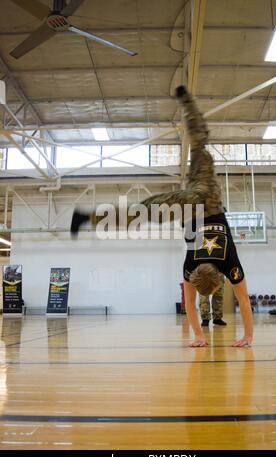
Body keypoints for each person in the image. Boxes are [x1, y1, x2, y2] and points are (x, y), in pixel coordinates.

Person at [71, 86, 253, 348]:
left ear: (219, 278)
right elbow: (191, 303)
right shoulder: (190, 268)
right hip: (189, 207)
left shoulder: (227, 265)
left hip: (205, 197)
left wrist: (246, 336)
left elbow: (240, 302)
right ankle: (87, 218)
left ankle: (186, 100)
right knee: (143, 213)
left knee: (200, 145)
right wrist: (200, 337)